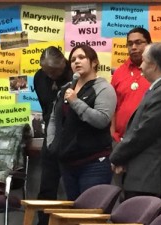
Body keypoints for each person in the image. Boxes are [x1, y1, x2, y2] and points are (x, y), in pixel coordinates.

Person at [110, 42, 161, 200]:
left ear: (154, 65)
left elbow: (142, 134)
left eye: (144, 61)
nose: (140, 66)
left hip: (148, 178)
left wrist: (117, 157)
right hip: (144, 177)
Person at [46, 44, 116, 200]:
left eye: (82, 57)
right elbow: (53, 119)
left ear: (94, 62)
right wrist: (52, 143)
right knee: (72, 215)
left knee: (89, 216)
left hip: (94, 163)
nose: (76, 62)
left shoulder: (104, 88)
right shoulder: (65, 89)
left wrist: (75, 102)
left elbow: (102, 120)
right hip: (68, 163)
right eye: (73, 59)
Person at [111, 27, 161, 150]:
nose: (134, 47)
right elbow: (113, 107)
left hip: (155, 144)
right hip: (122, 142)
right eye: (130, 44)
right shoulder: (118, 72)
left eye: (138, 42)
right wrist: (113, 135)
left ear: (149, 44)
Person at [34, 46, 73, 225]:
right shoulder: (39, 77)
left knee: (73, 189)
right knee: (47, 188)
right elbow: (46, 108)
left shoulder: (74, 74)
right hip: (51, 139)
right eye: (47, 72)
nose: (51, 76)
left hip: (73, 139)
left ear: (63, 63)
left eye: (55, 72)